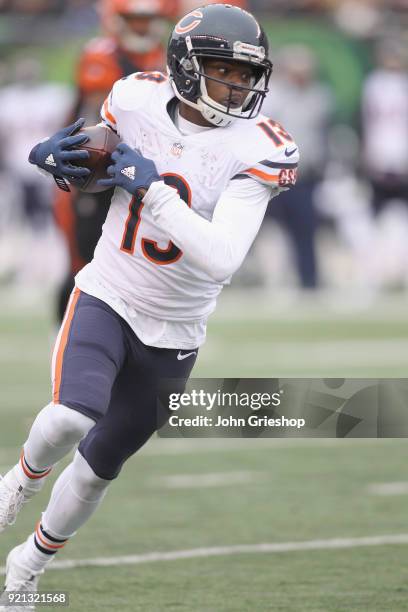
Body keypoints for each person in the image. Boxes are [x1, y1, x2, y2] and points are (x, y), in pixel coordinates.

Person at [0, 4, 298, 606]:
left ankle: (26, 566)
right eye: (225, 71)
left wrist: (151, 189)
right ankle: (15, 484)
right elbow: (97, 164)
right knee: (69, 418)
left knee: (99, 465)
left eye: (247, 76)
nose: (239, 87)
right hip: (109, 289)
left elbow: (222, 257)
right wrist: (63, 166)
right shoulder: (134, 98)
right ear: (187, 69)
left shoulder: (259, 147)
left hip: (178, 327)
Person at [55, 0, 173, 321]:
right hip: (97, 170)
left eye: (146, 20)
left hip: (141, 171)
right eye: (133, 19)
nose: (141, 27)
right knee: (86, 258)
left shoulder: (162, 55)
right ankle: (68, 329)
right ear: (116, 19)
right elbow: (99, 129)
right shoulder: (101, 53)